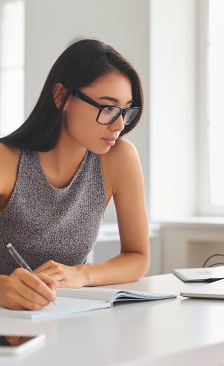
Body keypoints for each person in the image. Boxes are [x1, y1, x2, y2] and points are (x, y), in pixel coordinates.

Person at [0, 39, 149, 310]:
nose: (118, 125)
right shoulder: (5, 160)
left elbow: (137, 257)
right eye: (107, 107)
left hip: (61, 317)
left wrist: (81, 274)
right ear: (61, 96)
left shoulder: (119, 158)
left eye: (125, 111)